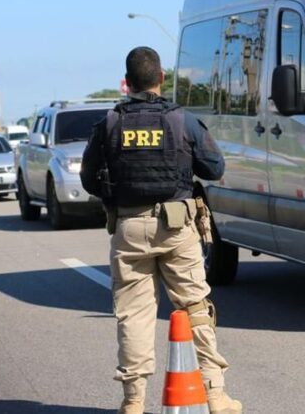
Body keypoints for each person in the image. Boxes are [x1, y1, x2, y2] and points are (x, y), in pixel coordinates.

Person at [81, 46, 241, 414]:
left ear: (127, 82)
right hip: (177, 226)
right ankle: (215, 395)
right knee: (195, 306)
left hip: (129, 226)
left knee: (133, 314)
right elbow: (215, 168)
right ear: (161, 79)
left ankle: (133, 401)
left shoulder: (109, 124)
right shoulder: (181, 121)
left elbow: (89, 178)